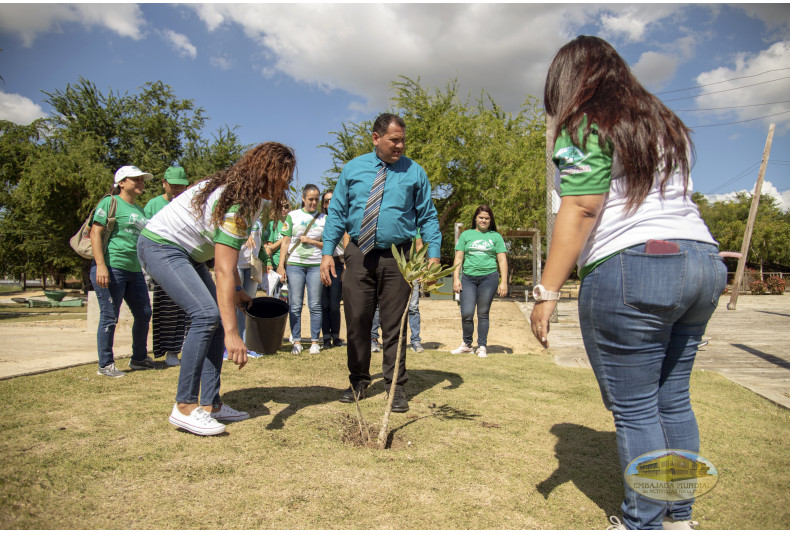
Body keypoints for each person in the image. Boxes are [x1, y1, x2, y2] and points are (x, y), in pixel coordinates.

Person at [532, 36, 727, 530]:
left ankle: (643, 522)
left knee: (636, 408)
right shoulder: (661, 121)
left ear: (567, 81)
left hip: (633, 264)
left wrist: (547, 292)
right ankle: (678, 516)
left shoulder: (583, 123)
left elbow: (581, 207)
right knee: (673, 398)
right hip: (701, 258)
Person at [138, 142, 295, 436]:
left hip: (190, 254)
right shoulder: (237, 203)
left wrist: (236, 288)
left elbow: (229, 255)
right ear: (263, 173)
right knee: (207, 315)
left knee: (215, 319)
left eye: (288, 175)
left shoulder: (254, 200)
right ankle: (184, 406)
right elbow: (221, 268)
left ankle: (211, 405)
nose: (285, 182)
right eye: (280, 175)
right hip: (160, 245)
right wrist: (234, 333)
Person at [321, 112, 441, 413]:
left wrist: (434, 254)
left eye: (403, 140)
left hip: (398, 258)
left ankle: (395, 388)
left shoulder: (415, 172)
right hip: (359, 254)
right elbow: (336, 212)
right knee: (358, 321)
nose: (400, 146)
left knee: (394, 325)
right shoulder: (353, 169)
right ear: (376, 138)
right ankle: (358, 381)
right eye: (394, 140)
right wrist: (326, 252)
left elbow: (427, 217)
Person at [90, 165, 154, 378]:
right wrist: (101, 265)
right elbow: (95, 233)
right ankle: (105, 364)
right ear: (121, 182)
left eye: (142, 179)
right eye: (135, 179)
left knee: (144, 313)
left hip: (134, 270)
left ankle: (138, 358)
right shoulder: (110, 202)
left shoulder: (140, 209)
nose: (140, 182)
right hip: (111, 268)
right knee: (110, 316)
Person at [144, 166, 190, 367]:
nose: (177, 189)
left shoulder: (189, 203)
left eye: (181, 185)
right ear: (164, 183)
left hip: (185, 261)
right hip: (162, 262)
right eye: (174, 185)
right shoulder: (154, 204)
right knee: (165, 309)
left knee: (184, 309)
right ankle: (164, 351)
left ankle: (177, 349)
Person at [450, 205, 508, 358]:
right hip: (468, 278)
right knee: (467, 312)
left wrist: (504, 282)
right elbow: (458, 258)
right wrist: (456, 278)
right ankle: (467, 344)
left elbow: (502, 260)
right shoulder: (466, 235)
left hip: (489, 278)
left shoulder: (495, 237)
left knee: (483, 313)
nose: (484, 220)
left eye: (487, 218)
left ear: (491, 220)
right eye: (481, 217)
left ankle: (482, 345)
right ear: (475, 218)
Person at [278, 184, 325, 355]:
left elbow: (328, 244)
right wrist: (281, 265)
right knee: (295, 304)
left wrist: (312, 242)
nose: (314, 202)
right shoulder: (293, 216)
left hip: (315, 265)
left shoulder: (323, 219)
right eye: (311, 199)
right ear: (303, 199)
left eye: (316, 199)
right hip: (295, 265)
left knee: (315, 305)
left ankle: (314, 342)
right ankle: (296, 341)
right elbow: (285, 241)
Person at [371, 231, 425, 353]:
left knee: (413, 307)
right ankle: (374, 338)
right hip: (392, 269)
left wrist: (420, 269)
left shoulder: (413, 227)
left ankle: (415, 340)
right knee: (381, 305)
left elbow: (419, 245)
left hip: (412, 272)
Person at [319, 189, 348, 348]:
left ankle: (336, 336)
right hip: (321, 262)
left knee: (335, 304)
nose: (330, 203)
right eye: (327, 201)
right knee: (323, 303)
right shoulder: (320, 220)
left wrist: (346, 263)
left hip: (338, 263)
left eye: (333, 200)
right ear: (323, 204)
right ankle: (326, 338)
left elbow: (346, 240)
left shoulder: (343, 219)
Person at [235, 217, 264, 358]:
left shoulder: (258, 221)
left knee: (249, 305)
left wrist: (266, 261)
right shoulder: (238, 216)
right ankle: (233, 343)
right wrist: (245, 237)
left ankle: (248, 344)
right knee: (235, 305)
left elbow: (260, 244)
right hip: (237, 265)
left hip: (252, 266)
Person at [263, 200, 290, 299]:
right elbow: (270, 248)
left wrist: (285, 238)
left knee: (289, 298)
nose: (283, 209)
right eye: (280, 206)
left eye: (286, 206)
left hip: (290, 264)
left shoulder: (293, 224)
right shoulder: (272, 224)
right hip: (276, 265)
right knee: (278, 297)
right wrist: (286, 238)